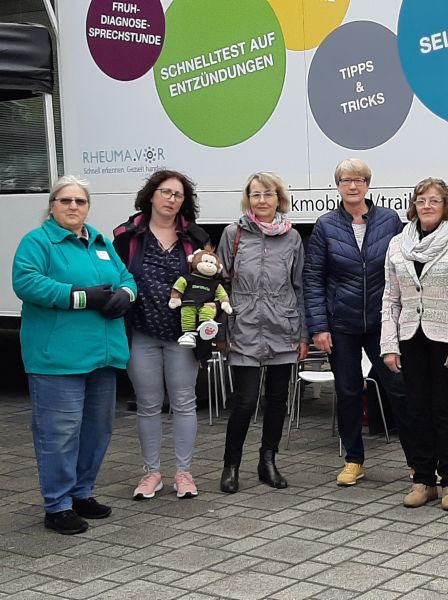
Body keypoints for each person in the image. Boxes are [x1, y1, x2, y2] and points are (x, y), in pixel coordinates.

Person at [12, 175, 136, 535]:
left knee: (97, 431)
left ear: (87, 207)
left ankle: (82, 493)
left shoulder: (99, 241)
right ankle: (57, 505)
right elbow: (27, 282)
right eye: (65, 200)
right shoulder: (38, 241)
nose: (73, 207)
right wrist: (81, 297)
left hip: (103, 355)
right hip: (57, 359)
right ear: (52, 205)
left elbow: (127, 277)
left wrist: (125, 296)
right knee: (59, 434)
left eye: (80, 201)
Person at [381, 178, 448, 511]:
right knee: (415, 413)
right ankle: (423, 481)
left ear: (447, 205)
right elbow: (390, 298)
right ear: (413, 205)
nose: (427, 206)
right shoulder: (398, 244)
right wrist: (389, 344)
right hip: (411, 338)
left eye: (434, 201)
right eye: (421, 200)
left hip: (447, 340)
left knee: (444, 412)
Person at [304, 158, 410, 486]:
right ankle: (354, 460)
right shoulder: (326, 225)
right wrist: (319, 327)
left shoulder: (390, 220)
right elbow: (313, 277)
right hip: (342, 324)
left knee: (400, 390)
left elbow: (403, 269)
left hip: (383, 323)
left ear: (368, 184)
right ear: (337, 186)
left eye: (359, 180)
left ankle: (419, 462)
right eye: (346, 180)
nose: (353, 186)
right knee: (348, 391)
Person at [112, 170, 210, 500]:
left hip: (183, 336)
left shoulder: (195, 237)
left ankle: (183, 473)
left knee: (184, 403)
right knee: (148, 405)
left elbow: (209, 283)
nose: (171, 199)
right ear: (151, 195)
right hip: (142, 334)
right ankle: (151, 473)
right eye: (165, 192)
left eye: (178, 195)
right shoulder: (127, 237)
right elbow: (117, 279)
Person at [217, 172, 308, 492]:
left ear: (278, 198)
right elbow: (221, 285)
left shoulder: (292, 237)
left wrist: (303, 335)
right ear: (248, 199)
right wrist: (222, 331)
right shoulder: (233, 234)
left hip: (282, 326)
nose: (262, 201)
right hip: (244, 326)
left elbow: (299, 287)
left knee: (278, 399)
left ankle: (267, 461)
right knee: (245, 400)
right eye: (256, 195)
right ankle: (231, 466)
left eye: (268, 194)